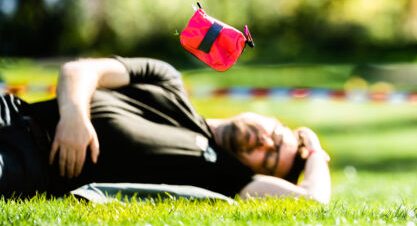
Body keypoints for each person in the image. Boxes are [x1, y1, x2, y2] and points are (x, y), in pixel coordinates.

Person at [0, 57, 331, 202]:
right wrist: (75, 116)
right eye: (275, 136)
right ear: (270, 119)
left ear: (259, 173)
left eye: (268, 158)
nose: (264, 143)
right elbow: (80, 70)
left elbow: (313, 199)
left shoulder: (226, 177)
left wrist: (313, 148)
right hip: (12, 112)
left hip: (25, 167)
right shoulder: (166, 79)